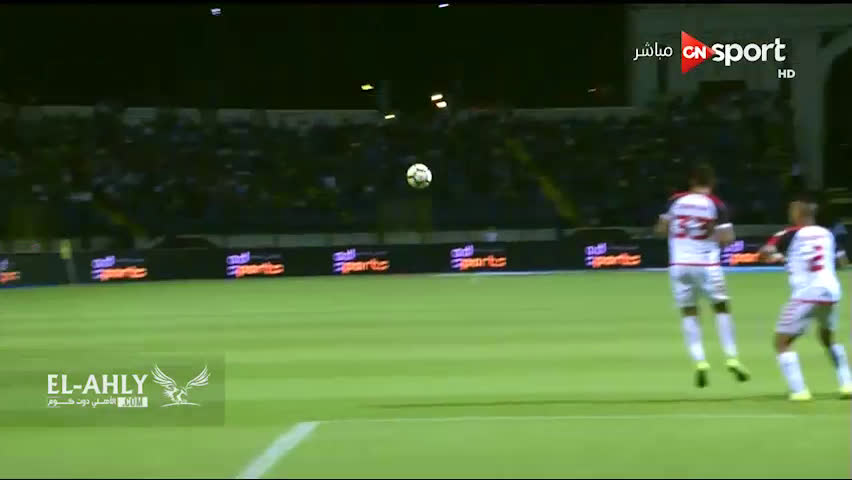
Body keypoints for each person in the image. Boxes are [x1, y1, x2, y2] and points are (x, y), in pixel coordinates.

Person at [656, 163, 750, 388]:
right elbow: (727, 239)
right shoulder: (716, 204)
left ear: (691, 181)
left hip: (679, 265)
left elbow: (661, 230)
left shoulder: (674, 201)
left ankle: (699, 361)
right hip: (706, 265)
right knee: (721, 307)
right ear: (712, 182)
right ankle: (731, 357)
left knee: (689, 312)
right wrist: (710, 234)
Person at [758, 193, 851, 401]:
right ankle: (847, 384)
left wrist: (779, 257)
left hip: (807, 293)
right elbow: (842, 262)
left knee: (782, 342)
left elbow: (765, 252)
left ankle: (799, 390)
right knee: (827, 338)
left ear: (798, 213)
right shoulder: (827, 234)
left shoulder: (789, 233)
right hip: (831, 291)